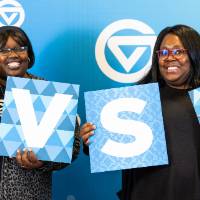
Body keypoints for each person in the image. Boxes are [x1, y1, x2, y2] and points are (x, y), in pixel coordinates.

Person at [80, 24, 200, 200]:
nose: (169, 58)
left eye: (178, 51)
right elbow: (112, 148)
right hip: (145, 193)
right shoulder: (139, 98)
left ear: (194, 54)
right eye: (164, 52)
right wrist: (91, 139)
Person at [0, 26, 80, 200]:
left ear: (28, 54)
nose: (13, 55)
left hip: (30, 194)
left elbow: (72, 147)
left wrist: (44, 161)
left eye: (20, 48)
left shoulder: (48, 92)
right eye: (3, 50)